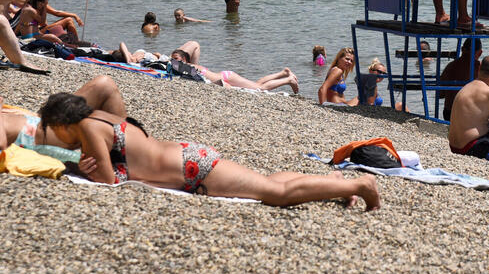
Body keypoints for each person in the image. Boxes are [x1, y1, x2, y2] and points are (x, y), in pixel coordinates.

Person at [37, 91, 379, 209]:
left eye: (57, 132)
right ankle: (333, 183)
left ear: (65, 123)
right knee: (265, 181)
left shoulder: (86, 128)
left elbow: (109, 182)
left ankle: (359, 185)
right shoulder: (100, 116)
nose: (60, 139)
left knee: (276, 193)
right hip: (188, 160)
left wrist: (86, 167)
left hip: (191, 169)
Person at [171, 48, 299, 93]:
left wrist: (223, 85)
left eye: (176, 58)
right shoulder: (189, 67)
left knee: (260, 88)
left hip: (226, 78)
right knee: (255, 84)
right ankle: (283, 73)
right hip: (226, 75)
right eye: (173, 59)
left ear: (184, 59)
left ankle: (288, 80)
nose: (174, 61)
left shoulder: (191, 67)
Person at [14, 0, 82, 45]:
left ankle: (70, 44)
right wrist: (45, 8)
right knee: (53, 37)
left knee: (53, 37)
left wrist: (14, 35)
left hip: (33, 34)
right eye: (44, 4)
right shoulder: (31, 10)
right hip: (31, 36)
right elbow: (43, 22)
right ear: (39, 3)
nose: (44, 6)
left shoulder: (28, 8)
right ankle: (69, 46)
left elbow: (20, 23)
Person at [439, 39, 482, 121]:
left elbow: (440, 94)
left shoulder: (451, 66)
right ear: (480, 53)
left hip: (449, 113)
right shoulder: (480, 68)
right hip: (470, 113)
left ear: (462, 49)